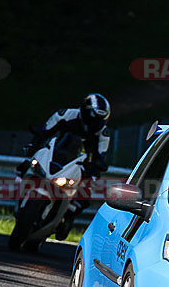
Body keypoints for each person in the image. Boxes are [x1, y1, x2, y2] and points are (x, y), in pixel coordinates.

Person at [18, 93, 111, 240]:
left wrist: (97, 166)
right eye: (93, 117)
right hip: (55, 153)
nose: (94, 122)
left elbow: (101, 156)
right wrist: (33, 144)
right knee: (27, 163)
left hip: (79, 162)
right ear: (84, 111)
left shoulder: (103, 134)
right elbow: (44, 132)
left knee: (88, 186)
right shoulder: (66, 114)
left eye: (99, 120)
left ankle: (68, 216)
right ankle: (22, 186)